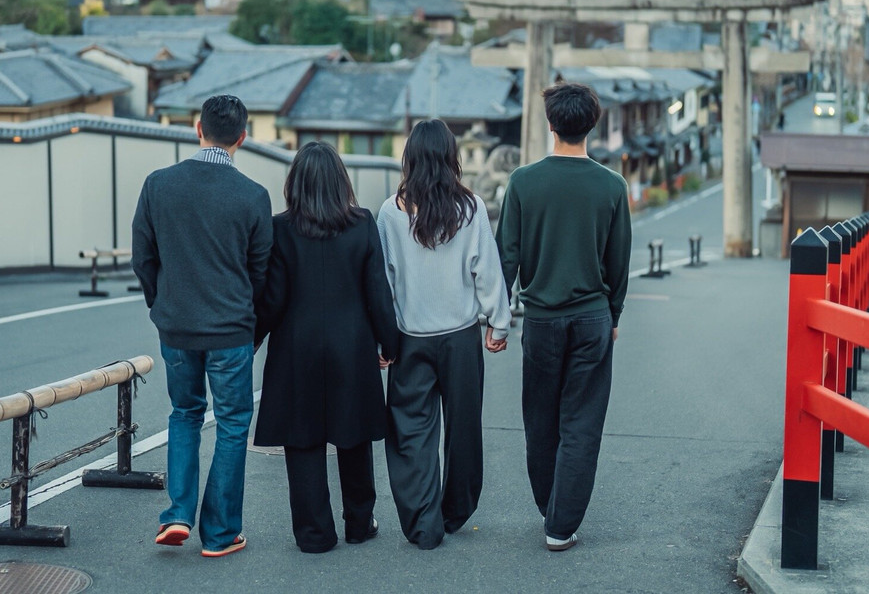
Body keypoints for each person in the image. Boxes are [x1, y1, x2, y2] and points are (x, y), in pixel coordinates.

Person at [131, 94, 272, 556]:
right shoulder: (253, 195)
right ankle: (220, 533)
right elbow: (259, 272)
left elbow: (143, 258)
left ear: (198, 128)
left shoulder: (159, 184)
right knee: (232, 423)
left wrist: (162, 306)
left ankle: (176, 515)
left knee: (184, 414)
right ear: (242, 138)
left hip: (177, 328)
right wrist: (247, 319)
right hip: (230, 330)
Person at [495, 82, 631, 553]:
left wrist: (497, 318)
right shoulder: (612, 186)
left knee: (540, 418)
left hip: (541, 319)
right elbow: (619, 263)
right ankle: (561, 523)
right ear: (590, 124)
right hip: (593, 317)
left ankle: (549, 506)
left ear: (550, 124)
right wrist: (613, 314)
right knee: (582, 422)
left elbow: (505, 257)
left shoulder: (523, 182)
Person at [253, 141, 399, 554]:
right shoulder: (361, 222)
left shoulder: (280, 228)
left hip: (296, 349)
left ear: (294, 183)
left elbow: (273, 296)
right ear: (341, 181)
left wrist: (253, 336)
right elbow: (377, 291)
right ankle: (358, 522)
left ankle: (315, 533)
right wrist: (389, 342)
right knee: (352, 435)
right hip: (351, 347)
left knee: (302, 440)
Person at [377, 119, 511, 550]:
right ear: (450, 157)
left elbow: (385, 282)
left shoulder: (390, 212)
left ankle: (423, 524)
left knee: (410, 433)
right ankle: (455, 511)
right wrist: (499, 321)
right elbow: (485, 269)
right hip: (460, 337)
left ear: (410, 158)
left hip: (409, 338)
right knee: (463, 427)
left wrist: (382, 338)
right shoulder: (469, 206)